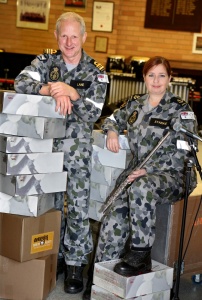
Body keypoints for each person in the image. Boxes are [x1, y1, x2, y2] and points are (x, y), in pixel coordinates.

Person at [82, 56, 198, 299]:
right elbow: (111, 118)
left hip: (173, 176)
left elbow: (185, 154)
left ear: (170, 78)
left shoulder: (181, 110)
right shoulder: (135, 103)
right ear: (144, 77)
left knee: (142, 187)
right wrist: (112, 131)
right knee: (113, 217)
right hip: (137, 173)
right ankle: (101, 279)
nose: (156, 81)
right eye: (151, 75)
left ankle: (140, 254)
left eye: (161, 75)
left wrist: (149, 170)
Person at [14, 11, 108, 295]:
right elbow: (20, 83)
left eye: (74, 36)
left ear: (84, 37)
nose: (69, 42)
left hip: (77, 153)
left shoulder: (96, 71)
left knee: (78, 209)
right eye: (63, 36)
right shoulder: (45, 62)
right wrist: (51, 89)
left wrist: (73, 92)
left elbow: (93, 112)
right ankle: (55, 257)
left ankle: (76, 265)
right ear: (56, 37)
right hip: (45, 152)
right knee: (51, 207)